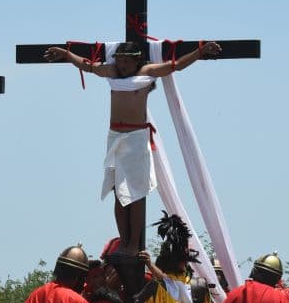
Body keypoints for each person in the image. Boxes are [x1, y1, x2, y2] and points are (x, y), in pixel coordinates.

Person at [44, 41, 220, 255]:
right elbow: (86, 65)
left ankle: (134, 244)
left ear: (137, 60)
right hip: (115, 136)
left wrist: (200, 52)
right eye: (119, 61)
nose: (122, 65)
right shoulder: (112, 72)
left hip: (136, 138)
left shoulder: (147, 72)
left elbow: (176, 66)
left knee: (135, 194)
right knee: (117, 193)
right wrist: (66, 53)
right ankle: (124, 241)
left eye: (126, 61)